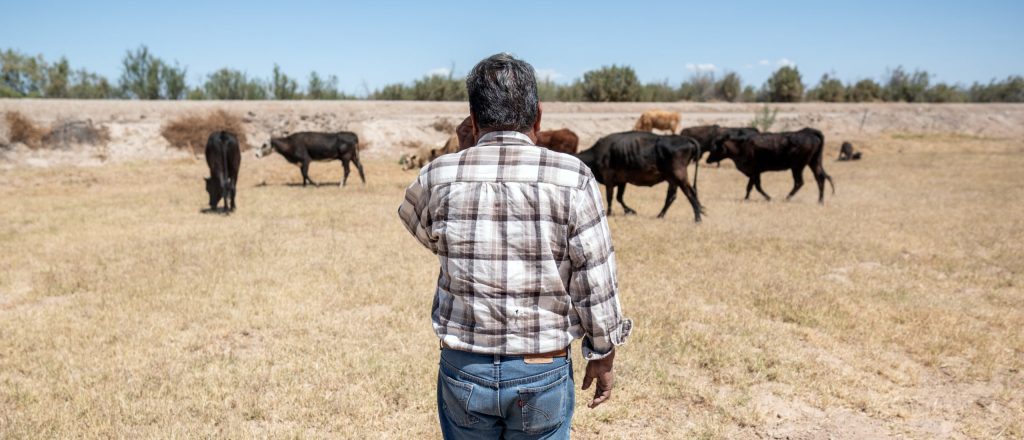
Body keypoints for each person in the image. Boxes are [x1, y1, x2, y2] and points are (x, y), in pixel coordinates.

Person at [398, 53, 632, 439]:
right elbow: (595, 279)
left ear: (472, 120)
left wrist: (462, 153)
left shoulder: (438, 174)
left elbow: (430, 236)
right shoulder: (573, 178)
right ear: (538, 116)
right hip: (541, 366)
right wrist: (603, 351)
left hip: (464, 367)